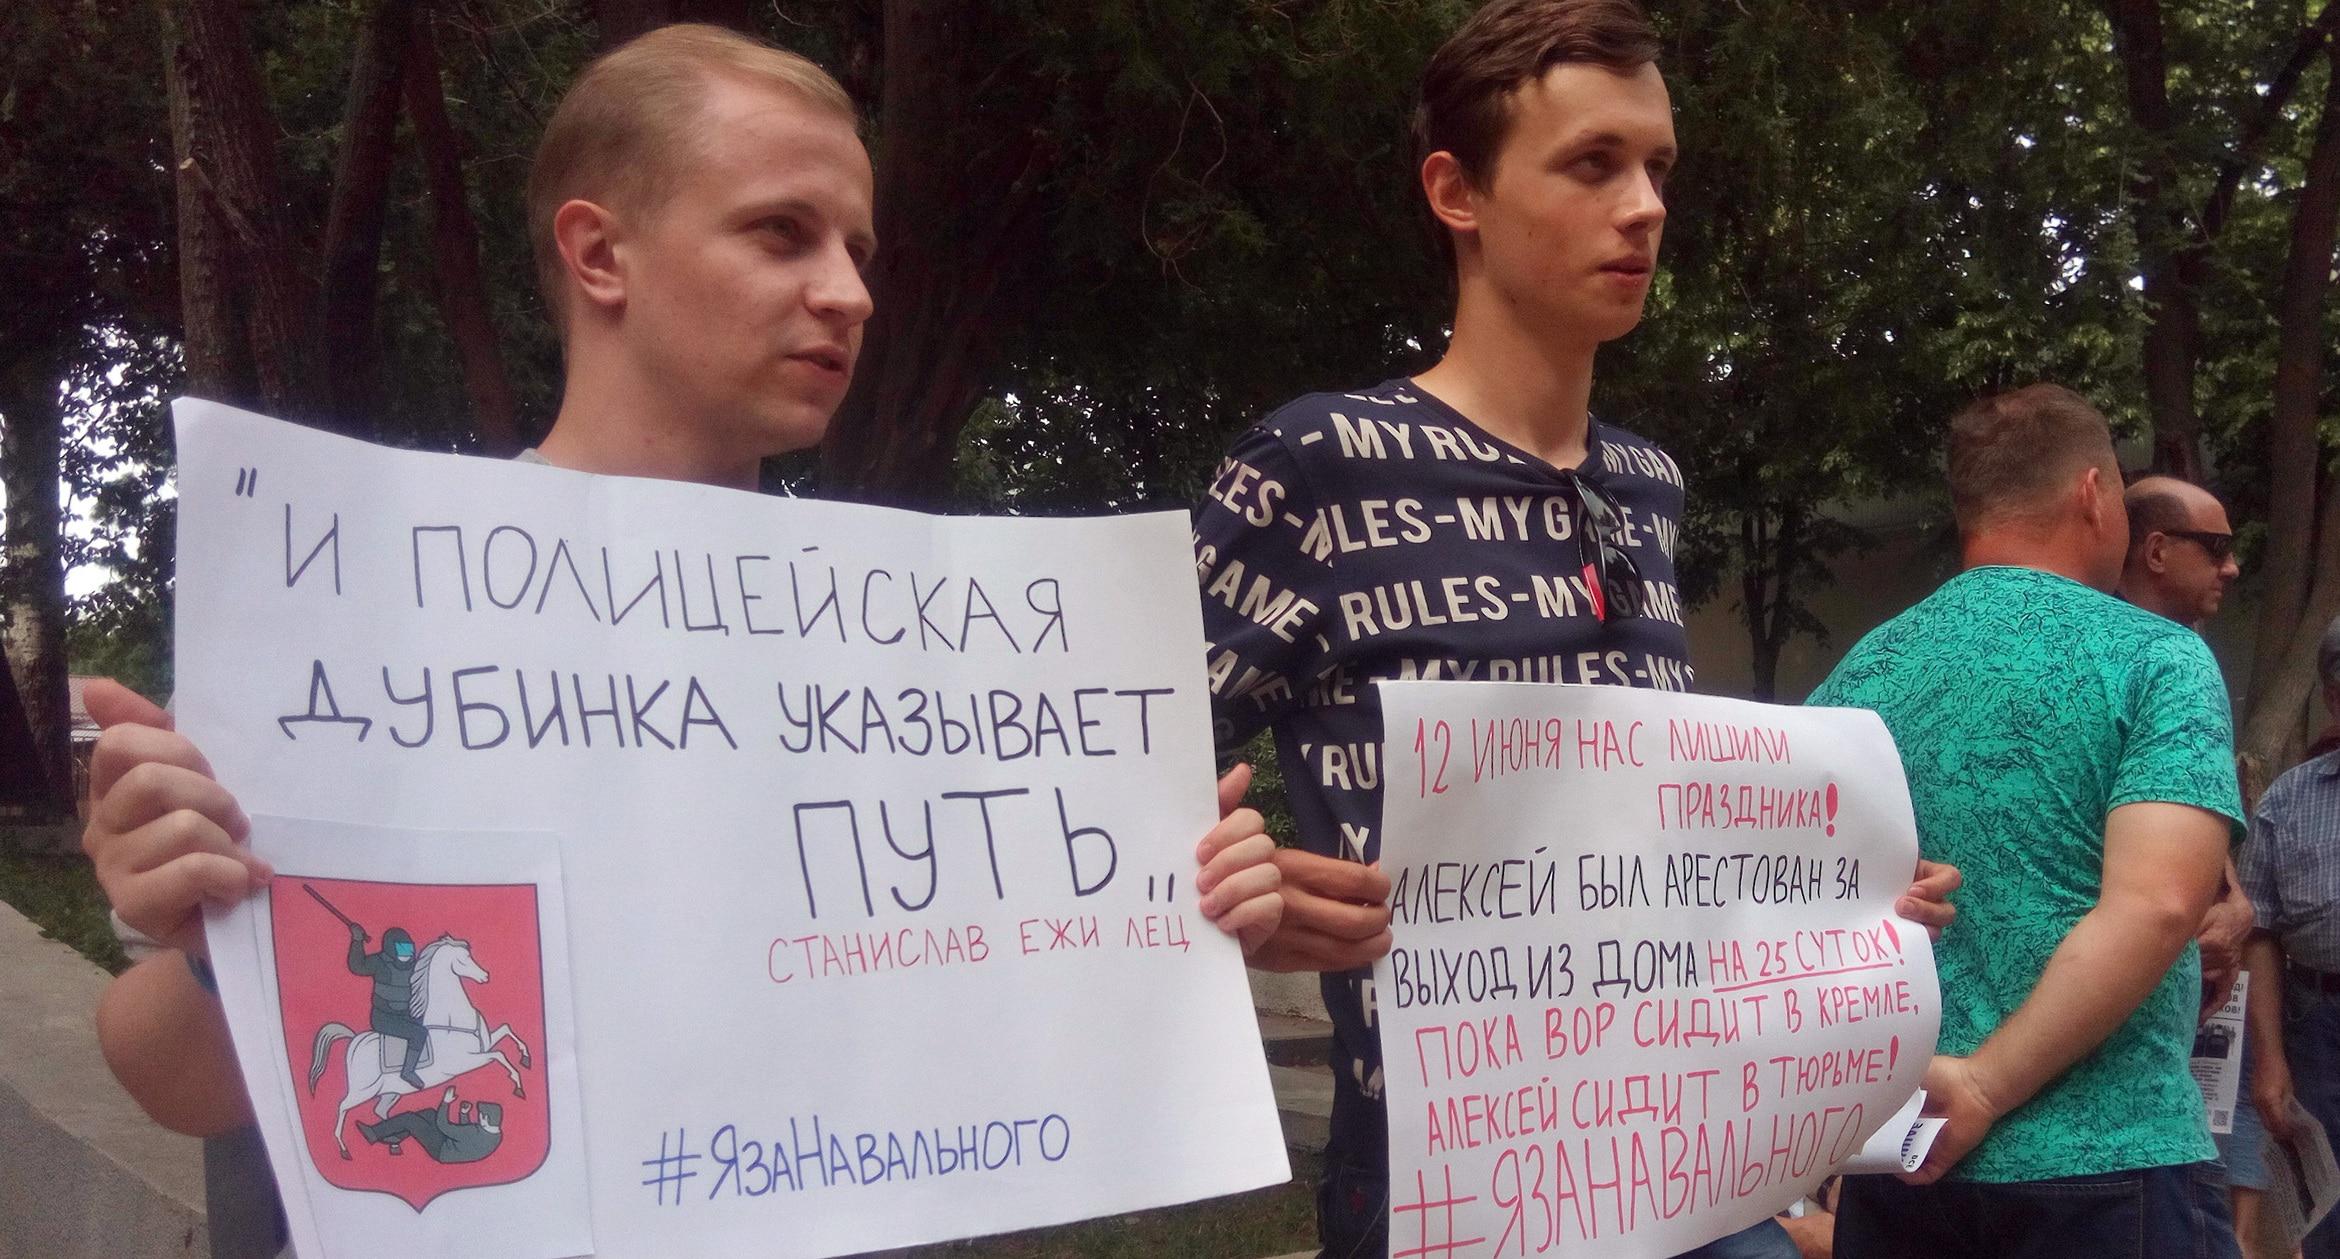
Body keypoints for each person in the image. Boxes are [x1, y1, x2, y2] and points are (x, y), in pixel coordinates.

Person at [82, 25, 1284, 1258]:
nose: (851, 293)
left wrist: (1168, 908)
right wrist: (220, 943)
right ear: (600, 254)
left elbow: (979, 1014)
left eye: (859, 249)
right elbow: (177, 1083)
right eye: (783, 232)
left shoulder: (924, 653)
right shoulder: (369, 621)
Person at [1195, 3, 1957, 1254]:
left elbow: (1637, 838)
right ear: (1458, 191)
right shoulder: (1320, 462)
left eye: (1658, 166)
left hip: (1684, 1153)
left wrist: (1835, 898)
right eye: (1594, 163)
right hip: (1453, 1175)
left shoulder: (1647, 483)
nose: (1645, 205)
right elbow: (1112, 765)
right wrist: (1244, 886)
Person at [1813, 385, 2244, 1259]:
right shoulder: (2159, 658)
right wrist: (1984, 1084)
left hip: (1905, 1155)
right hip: (2110, 1157)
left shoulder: (1859, 674)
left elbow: (1793, 906)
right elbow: (2159, 904)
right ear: (2092, 493)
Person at [2118, 474, 2269, 1245]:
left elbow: (2198, 839)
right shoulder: (2138, 658)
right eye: (2215, 547)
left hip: (2179, 1062)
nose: (2231, 567)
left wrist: (2236, 904)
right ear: (2155, 550)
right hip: (2121, 1087)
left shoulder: (2183, 658)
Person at [2238, 615, 2340, 1259]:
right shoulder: (2288, 799)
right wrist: (2271, 1057)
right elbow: (2259, 931)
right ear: (2333, 696)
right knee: (2327, 1209)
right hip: (2317, 1024)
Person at [359, 1087, 504, 1164]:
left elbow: (444, 1126)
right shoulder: (494, 1134)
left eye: (480, 1114)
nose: (478, 1116)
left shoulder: (476, 1132)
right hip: (453, 1147)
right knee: (430, 1113)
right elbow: (466, 1138)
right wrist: (463, 1114)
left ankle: (374, 1133)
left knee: (409, 1119)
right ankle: (396, 1138)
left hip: (442, 1150)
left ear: (486, 1118)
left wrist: (445, 1102)